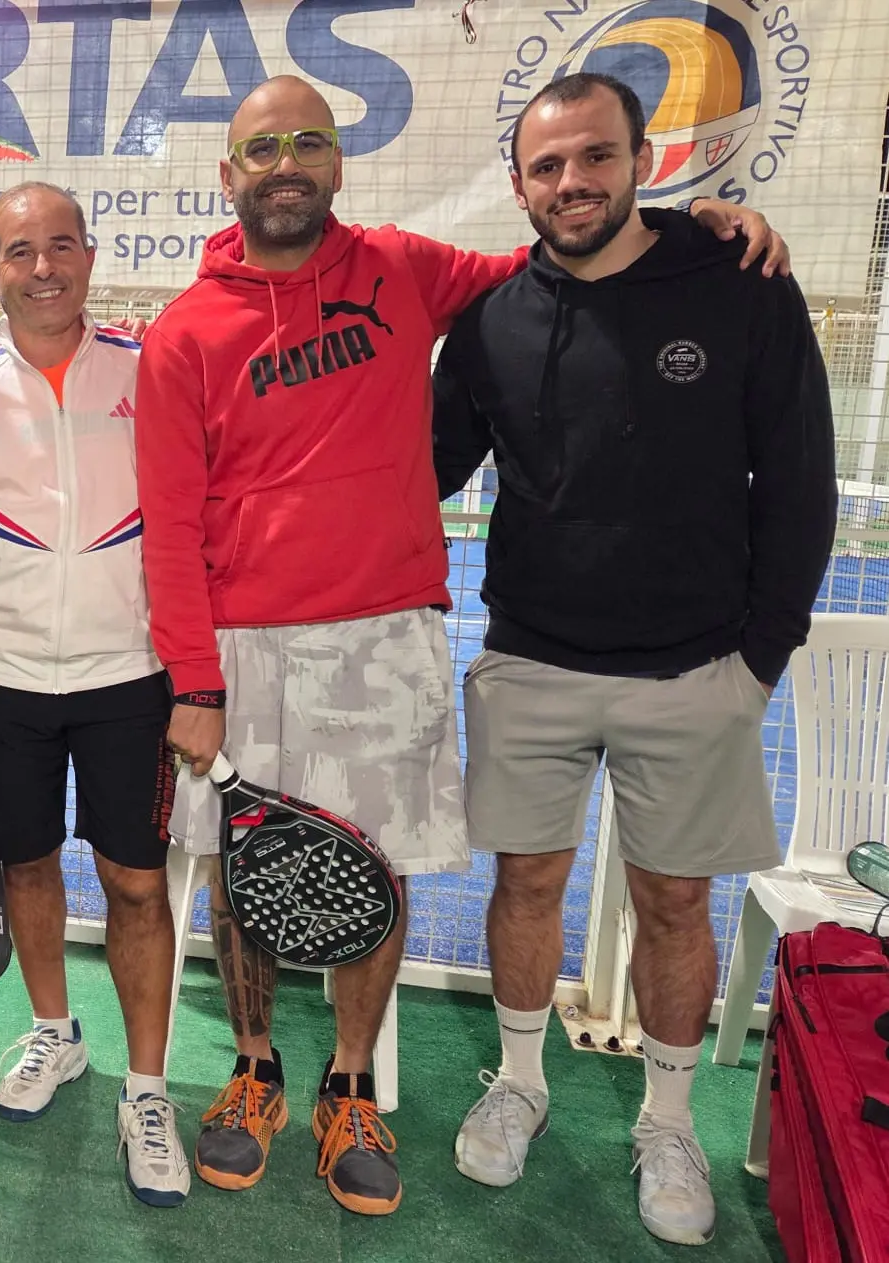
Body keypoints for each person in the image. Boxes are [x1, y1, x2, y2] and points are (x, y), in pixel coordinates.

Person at [134, 76, 787, 1218]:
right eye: (259, 149)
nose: (284, 163)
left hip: (386, 638)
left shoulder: (401, 266)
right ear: (226, 174)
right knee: (247, 877)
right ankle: (251, 1073)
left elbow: (572, 251)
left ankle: (348, 1088)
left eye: (307, 143)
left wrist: (700, 223)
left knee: (369, 876)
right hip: (240, 649)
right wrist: (191, 678)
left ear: (337, 164)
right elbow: (167, 522)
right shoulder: (186, 329)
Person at [432, 73, 835, 1247]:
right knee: (524, 888)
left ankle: (664, 1122)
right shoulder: (492, 315)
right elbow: (422, 471)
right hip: (529, 663)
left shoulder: (740, 282)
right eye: (547, 168)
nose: (571, 184)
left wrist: (756, 660)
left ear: (640, 159)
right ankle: (519, 1084)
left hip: (697, 671)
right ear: (519, 185)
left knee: (671, 902)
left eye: (592, 158)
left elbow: (799, 485)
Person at [0, 182, 186, 1206]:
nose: (42, 269)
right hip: (2, 682)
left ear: (87, 258)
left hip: (129, 680)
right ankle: (52, 1034)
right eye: (17, 252)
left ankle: (148, 1088)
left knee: (133, 885)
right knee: (26, 867)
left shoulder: (148, 369)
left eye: (59, 246)